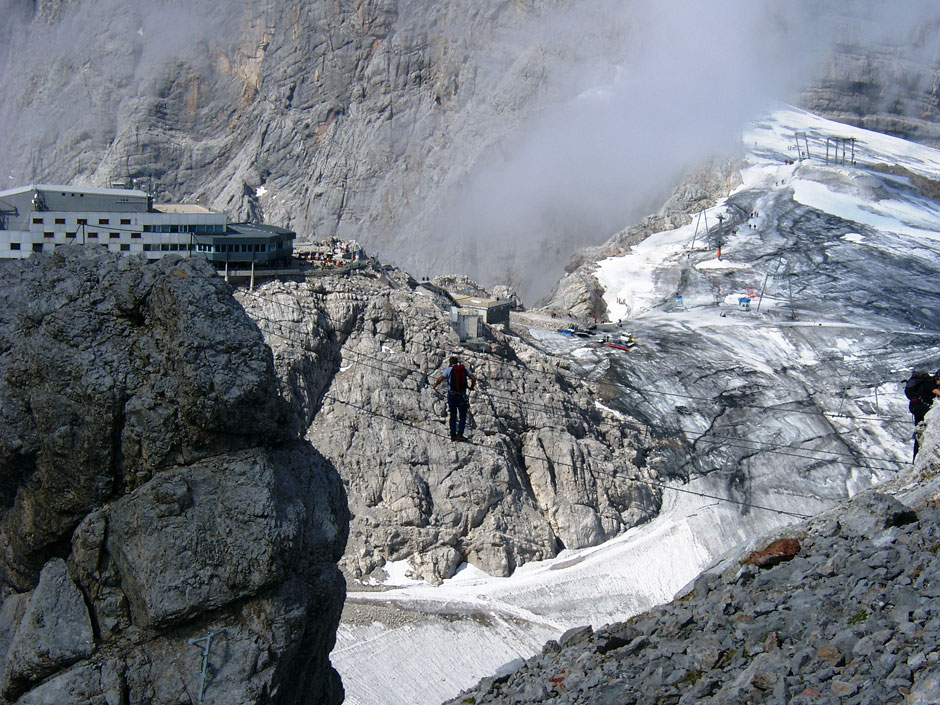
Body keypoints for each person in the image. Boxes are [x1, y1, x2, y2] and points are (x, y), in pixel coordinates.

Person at [432, 355, 477, 442]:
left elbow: (440, 379)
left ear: (450, 362)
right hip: (462, 396)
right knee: (462, 415)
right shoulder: (463, 369)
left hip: (452, 395)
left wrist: (435, 385)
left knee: (453, 415)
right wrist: (471, 387)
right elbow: (474, 378)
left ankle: (453, 435)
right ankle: (460, 434)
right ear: (456, 362)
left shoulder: (449, 369)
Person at [907, 369, 940, 460]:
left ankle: (917, 458)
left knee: (921, 433)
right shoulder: (930, 383)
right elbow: (937, 393)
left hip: (917, 407)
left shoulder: (930, 382)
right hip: (919, 407)